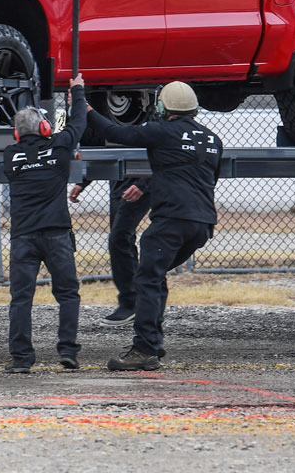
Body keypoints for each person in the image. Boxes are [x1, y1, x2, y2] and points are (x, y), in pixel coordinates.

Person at [87, 81, 222, 371]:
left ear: (163, 107)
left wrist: (84, 108)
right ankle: (153, 344)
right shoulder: (213, 139)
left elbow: (114, 133)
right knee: (154, 276)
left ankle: (145, 348)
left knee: (146, 279)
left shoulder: (161, 130)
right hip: (202, 224)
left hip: (170, 221)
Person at [1, 74, 88, 373]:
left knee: (21, 298)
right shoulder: (60, 147)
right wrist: (77, 92)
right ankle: (68, 352)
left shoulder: (10, 156)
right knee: (67, 294)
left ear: (16, 135)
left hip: (23, 236)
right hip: (57, 235)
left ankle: (21, 359)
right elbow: (78, 123)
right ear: (45, 127)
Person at [69, 175, 152, 326]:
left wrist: (144, 183)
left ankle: (132, 303)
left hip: (140, 184)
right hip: (119, 185)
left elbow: (160, 153)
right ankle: (138, 304)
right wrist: (83, 181)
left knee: (119, 240)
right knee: (123, 241)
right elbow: (100, 153)